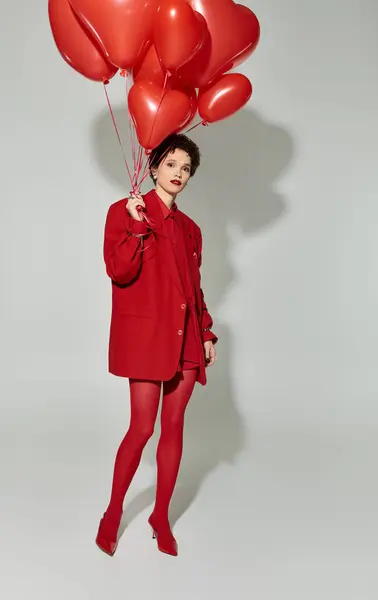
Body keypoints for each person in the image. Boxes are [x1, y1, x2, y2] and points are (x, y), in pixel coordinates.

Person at [95, 133, 217, 557]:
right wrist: (134, 223)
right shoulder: (125, 211)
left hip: (186, 337)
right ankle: (112, 514)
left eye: (186, 168)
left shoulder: (191, 229)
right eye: (171, 164)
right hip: (149, 338)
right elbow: (119, 271)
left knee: (174, 426)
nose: (178, 173)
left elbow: (194, 287)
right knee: (143, 427)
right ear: (154, 167)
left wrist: (205, 332)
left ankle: (160, 516)